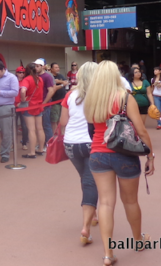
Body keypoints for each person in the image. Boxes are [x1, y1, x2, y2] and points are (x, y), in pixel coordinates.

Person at [85, 61, 155, 266]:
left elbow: (93, 125)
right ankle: (138, 241)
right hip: (124, 154)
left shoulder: (92, 99)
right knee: (130, 201)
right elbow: (141, 130)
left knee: (106, 203)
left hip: (98, 152)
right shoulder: (125, 97)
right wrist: (150, 155)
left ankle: (108, 254)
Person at [58, 62, 99, 246]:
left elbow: (63, 121)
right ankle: (86, 227)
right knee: (91, 181)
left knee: (85, 178)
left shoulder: (69, 95)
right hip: (92, 142)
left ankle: (93, 214)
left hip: (71, 143)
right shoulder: (100, 95)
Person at [19, 62, 46, 158]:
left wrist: (23, 99)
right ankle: (41, 149)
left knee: (31, 130)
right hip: (39, 105)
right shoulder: (40, 79)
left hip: (29, 105)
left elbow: (23, 90)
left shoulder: (27, 79)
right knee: (40, 128)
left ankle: (31, 152)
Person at [35, 58, 62, 142]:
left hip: (45, 105)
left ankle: (49, 143)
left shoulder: (47, 76)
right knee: (40, 126)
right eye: (35, 66)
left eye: (37, 66)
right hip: (37, 104)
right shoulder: (36, 76)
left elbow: (51, 90)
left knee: (46, 124)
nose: (35, 68)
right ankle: (42, 143)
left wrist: (44, 103)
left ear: (43, 66)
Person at [49, 62, 69, 141]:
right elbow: (54, 83)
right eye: (56, 67)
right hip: (54, 102)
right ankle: (55, 136)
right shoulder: (50, 76)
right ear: (51, 69)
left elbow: (66, 82)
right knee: (54, 120)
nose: (58, 69)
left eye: (58, 67)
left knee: (62, 119)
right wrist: (61, 82)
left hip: (62, 101)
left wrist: (59, 81)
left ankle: (62, 135)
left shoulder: (60, 76)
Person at [15, 66, 31, 150]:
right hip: (14, 106)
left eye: (22, 72)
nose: (21, 74)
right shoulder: (13, 81)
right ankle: (13, 143)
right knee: (13, 126)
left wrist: (21, 102)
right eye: (19, 72)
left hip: (23, 105)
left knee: (24, 126)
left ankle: (24, 142)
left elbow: (28, 94)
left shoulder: (26, 81)